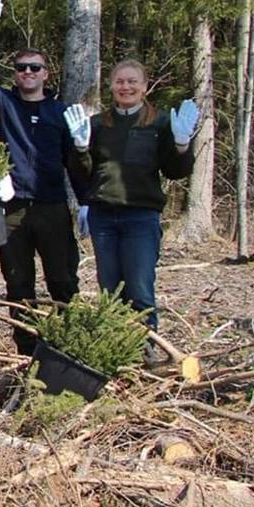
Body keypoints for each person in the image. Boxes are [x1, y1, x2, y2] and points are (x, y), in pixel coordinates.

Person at [0, 0, 86, 353]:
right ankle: (27, 350)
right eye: (22, 68)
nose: (28, 73)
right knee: (18, 284)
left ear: (45, 74)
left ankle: (66, 347)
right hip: (13, 208)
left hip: (52, 207)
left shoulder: (61, 113)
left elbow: (74, 161)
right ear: (16, 75)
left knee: (62, 280)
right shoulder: (4, 105)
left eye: (35, 68)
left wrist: (85, 202)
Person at [66, 60, 199, 356]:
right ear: (111, 86)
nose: (126, 87)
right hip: (103, 217)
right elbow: (83, 173)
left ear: (144, 86)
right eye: (120, 81)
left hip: (141, 217)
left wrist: (181, 145)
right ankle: (114, 350)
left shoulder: (160, 123)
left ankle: (145, 351)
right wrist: (80, 149)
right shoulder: (97, 125)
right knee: (110, 288)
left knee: (139, 288)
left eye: (132, 82)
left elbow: (176, 171)